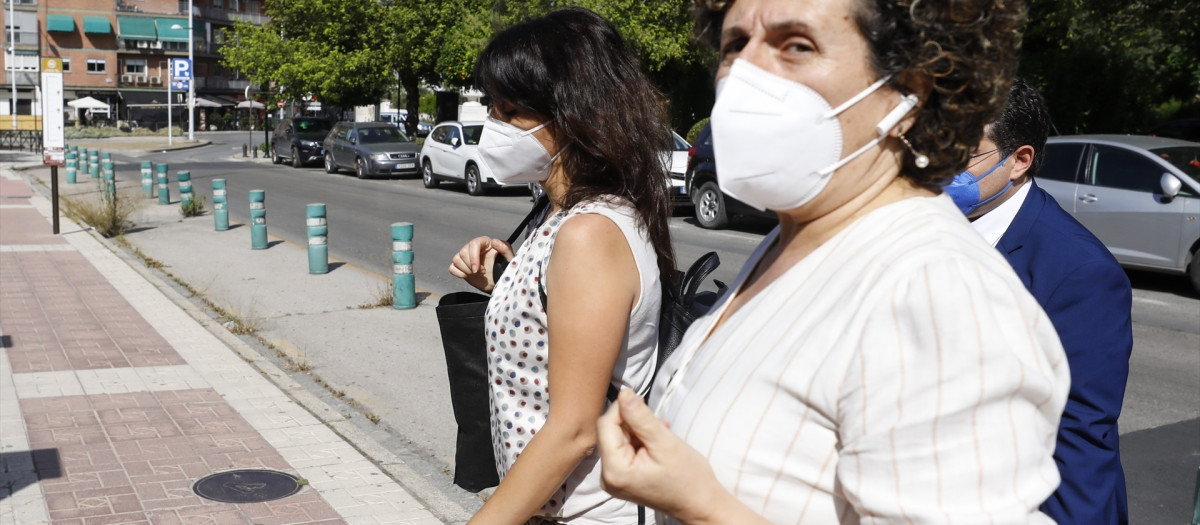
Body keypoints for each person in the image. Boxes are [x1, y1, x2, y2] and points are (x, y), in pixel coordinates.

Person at [596, 0, 1070, 523]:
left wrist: (702, 505)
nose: (745, 69)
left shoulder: (935, 289)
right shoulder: (792, 239)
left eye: (796, 44)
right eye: (735, 44)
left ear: (909, 95)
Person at [447, 7, 675, 524]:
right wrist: (501, 284)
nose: (493, 127)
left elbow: (572, 428)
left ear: (572, 114)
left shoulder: (589, 232)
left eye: (510, 112)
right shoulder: (558, 211)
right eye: (492, 107)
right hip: (545, 504)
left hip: (583, 513)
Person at [944, 78, 1133, 525]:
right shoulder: (917, 225)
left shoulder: (1080, 272)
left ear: (1019, 161)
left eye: (961, 154)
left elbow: (1077, 436)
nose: (935, 165)